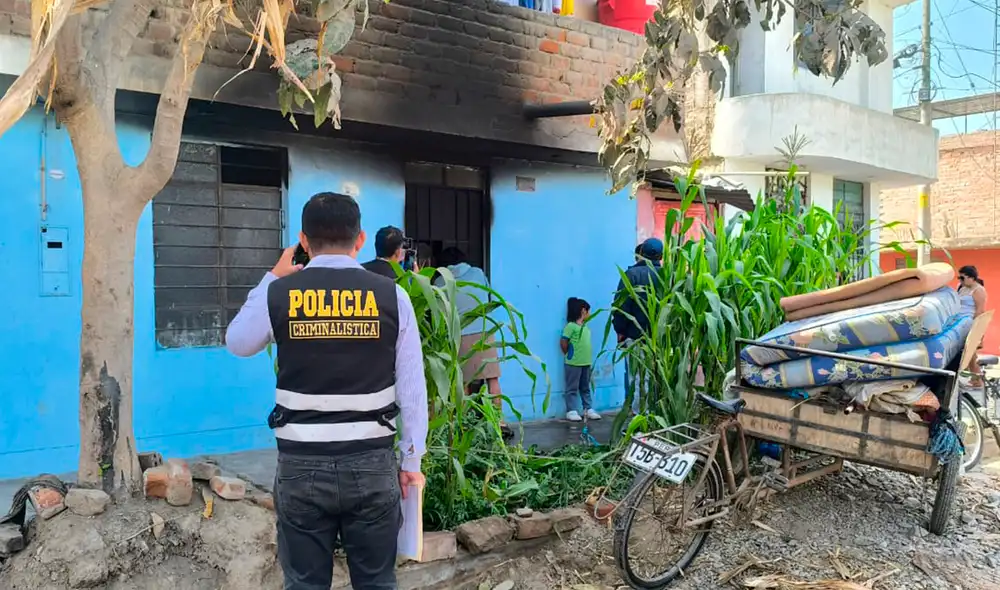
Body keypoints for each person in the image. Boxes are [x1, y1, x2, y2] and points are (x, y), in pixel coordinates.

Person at [225, 192, 428, 590]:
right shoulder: (392, 296)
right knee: (376, 583)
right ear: (360, 239)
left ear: (303, 240)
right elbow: (412, 389)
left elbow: (238, 341)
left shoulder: (280, 293)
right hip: (371, 464)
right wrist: (411, 461)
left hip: (301, 466)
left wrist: (273, 276)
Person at [434, 247, 511, 435]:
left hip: (460, 336)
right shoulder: (477, 273)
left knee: (463, 384)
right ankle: (500, 422)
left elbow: (439, 314)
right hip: (485, 332)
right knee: (492, 379)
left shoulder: (440, 281)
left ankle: (465, 426)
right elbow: (488, 297)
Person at [613, 238, 665, 415]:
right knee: (656, 377)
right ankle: (656, 416)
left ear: (641, 253)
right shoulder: (667, 275)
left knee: (637, 378)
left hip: (635, 336)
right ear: (661, 256)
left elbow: (621, 306)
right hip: (660, 339)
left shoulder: (632, 275)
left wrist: (620, 331)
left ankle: (640, 418)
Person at [561, 297, 600, 422]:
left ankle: (587, 408)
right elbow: (563, 341)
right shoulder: (571, 326)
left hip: (586, 362)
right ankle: (571, 410)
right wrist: (568, 354)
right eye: (588, 311)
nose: (589, 314)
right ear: (583, 311)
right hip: (573, 363)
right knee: (572, 387)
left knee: (585, 387)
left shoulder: (585, 327)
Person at [958, 265, 989, 387]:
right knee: (967, 352)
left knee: (970, 352)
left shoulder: (978, 290)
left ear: (972, 278)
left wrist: (977, 330)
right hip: (959, 323)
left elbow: (980, 310)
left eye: (962, 278)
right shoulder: (962, 288)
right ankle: (975, 378)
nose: (960, 280)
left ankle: (977, 379)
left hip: (971, 322)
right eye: (959, 278)